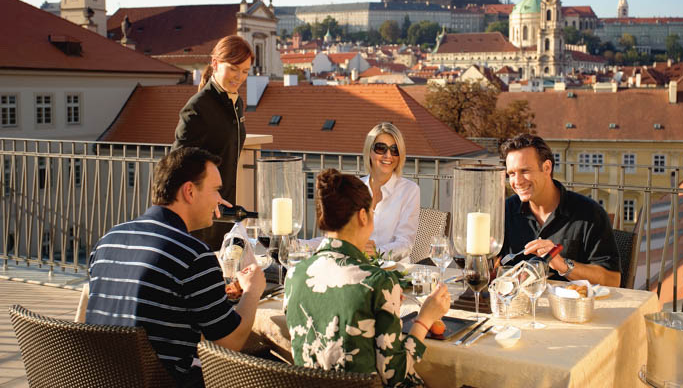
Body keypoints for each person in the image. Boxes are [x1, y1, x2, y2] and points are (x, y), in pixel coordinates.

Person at [86, 147, 266, 387]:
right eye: (215, 190)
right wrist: (253, 290)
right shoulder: (194, 255)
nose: (219, 201)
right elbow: (230, 342)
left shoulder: (107, 240)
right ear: (189, 191)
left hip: (99, 377)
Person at [284, 169, 450, 386]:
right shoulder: (377, 282)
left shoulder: (295, 274)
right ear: (363, 216)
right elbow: (395, 374)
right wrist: (425, 319)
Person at [499, 134, 621, 287]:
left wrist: (563, 264)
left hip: (571, 308)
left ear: (547, 168)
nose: (517, 181)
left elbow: (613, 281)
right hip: (518, 306)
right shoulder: (505, 211)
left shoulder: (590, 213)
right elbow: (494, 268)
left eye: (524, 171)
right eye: (511, 174)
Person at [173, 35, 254, 247]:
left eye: (245, 71)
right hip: (200, 216)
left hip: (223, 211)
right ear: (215, 64)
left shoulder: (235, 101)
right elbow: (176, 163)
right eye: (233, 69)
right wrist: (207, 194)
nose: (239, 77)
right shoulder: (198, 107)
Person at [360, 122, 420, 261]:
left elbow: (405, 243)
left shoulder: (409, 191)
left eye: (395, 150)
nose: (388, 155)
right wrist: (302, 244)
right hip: (359, 266)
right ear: (369, 151)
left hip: (394, 272)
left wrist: (376, 252)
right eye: (381, 148)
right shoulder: (356, 188)